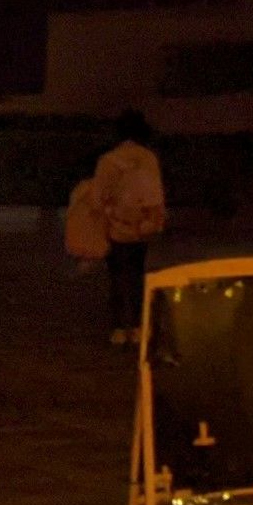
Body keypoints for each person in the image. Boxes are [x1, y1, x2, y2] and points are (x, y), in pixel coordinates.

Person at [88, 111, 169, 341]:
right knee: (137, 274)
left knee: (117, 276)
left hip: (116, 225)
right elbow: (156, 193)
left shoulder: (109, 161)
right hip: (142, 227)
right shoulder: (149, 159)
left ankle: (119, 327)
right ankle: (137, 325)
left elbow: (98, 197)